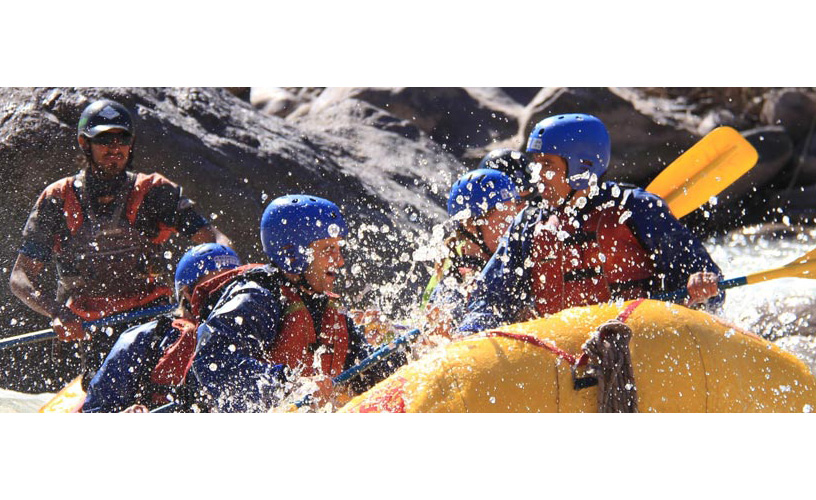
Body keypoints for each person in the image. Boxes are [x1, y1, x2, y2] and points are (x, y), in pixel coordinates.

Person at [8, 99, 231, 381]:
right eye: (104, 140)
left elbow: (213, 238)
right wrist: (56, 312)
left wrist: (218, 273)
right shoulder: (57, 198)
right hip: (92, 326)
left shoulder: (153, 191)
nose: (115, 148)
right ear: (84, 143)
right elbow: (20, 277)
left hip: (153, 316)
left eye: (122, 139)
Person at [457, 113, 723, 334]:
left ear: (582, 166)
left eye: (547, 165)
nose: (537, 176)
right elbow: (488, 298)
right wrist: (472, 332)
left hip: (637, 341)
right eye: (536, 164)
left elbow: (707, 282)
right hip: (560, 354)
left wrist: (701, 285)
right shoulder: (527, 225)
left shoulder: (637, 209)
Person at [192, 195, 406, 412]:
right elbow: (211, 361)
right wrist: (288, 386)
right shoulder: (258, 298)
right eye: (328, 249)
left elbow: (370, 372)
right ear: (292, 255)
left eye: (338, 248)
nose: (340, 261)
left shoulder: (326, 308)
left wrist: (413, 354)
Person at [82, 243, 242, 413]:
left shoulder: (253, 334)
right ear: (187, 294)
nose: (227, 295)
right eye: (216, 286)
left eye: (233, 285)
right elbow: (94, 412)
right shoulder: (144, 340)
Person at [421, 169, 522, 322]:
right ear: (470, 226)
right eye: (504, 220)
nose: (512, 229)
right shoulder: (458, 284)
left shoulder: (510, 265)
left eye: (513, 219)